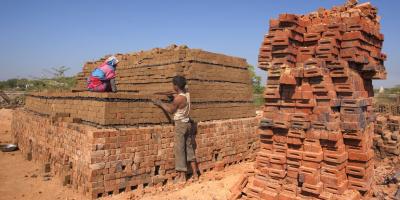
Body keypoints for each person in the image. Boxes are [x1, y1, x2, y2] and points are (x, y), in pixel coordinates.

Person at [152, 76, 199, 182]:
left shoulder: (179, 99)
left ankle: (182, 176)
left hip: (180, 125)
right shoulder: (186, 93)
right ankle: (195, 174)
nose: (172, 86)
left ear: (176, 86)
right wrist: (164, 93)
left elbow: (170, 110)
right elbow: (174, 93)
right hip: (187, 124)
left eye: (173, 85)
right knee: (189, 148)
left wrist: (160, 103)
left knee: (180, 150)